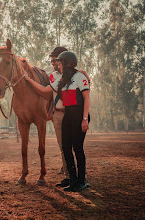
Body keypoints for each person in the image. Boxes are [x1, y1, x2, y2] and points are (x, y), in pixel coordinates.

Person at [25, 51, 90, 192]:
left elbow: (86, 98)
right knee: (66, 147)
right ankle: (72, 180)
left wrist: (85, 119)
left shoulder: (79, 77)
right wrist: (29, 81)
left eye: (60, 62)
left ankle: (82, 181)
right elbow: (44, 89)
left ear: (66, 64)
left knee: (77, 148)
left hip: (79, 115)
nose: (57, 65)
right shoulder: (61, 80)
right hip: (68, 116)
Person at [48, 47, 70, 187]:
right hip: (57, 113)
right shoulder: (52, 76)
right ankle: (68, 176)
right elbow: (46, 91)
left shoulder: (75, 75)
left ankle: (79, 175)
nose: (52, 64)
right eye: (51, 61)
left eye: (54, 61)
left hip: (70, 113)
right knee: (63, 146)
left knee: (73, 146)